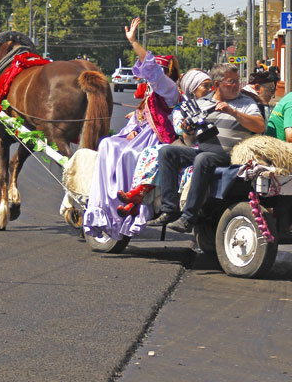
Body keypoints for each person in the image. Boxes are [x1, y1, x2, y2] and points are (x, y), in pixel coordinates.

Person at [83, 17, 181, 240]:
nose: (149, 76)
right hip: (139, 135)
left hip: (157, 139)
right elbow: (138, 119)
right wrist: (132, 128)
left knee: (129, 154)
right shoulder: (152, 93)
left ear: (167, 73)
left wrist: (134, 42)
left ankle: (132, 206)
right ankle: (106, 203)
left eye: (158, 72)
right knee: (107, 144)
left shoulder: (169, 89)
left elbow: (153, 72)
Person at [145, 63, 266, 233]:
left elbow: (259, 126)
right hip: (205, 151)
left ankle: (188, 217)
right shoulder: (200, 104)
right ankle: (169, 209)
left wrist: (233, 112)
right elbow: (190, 141)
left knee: (203, 158)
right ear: (217, 85)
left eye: (238, 81)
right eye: (231, 82)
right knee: (167, 152)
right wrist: (188, 130)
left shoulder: (246, 102)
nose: (237, 85)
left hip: (230, 154)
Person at [116, 69, 213, 218]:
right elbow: (180, 129)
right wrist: (188, 127)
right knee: (151, 152)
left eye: (211, 86)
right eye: (205, 86)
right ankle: (136, 197)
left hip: (206, 147)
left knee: (162, 153)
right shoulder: (182, 107)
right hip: (187, 144)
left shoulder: (214, 104)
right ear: (193, 89)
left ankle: (136, 200)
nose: (210, 89)